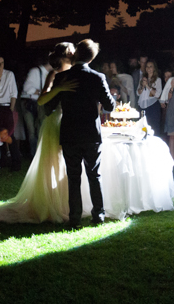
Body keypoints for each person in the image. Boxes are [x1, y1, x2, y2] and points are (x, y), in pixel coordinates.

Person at [0, 42, 78, 223]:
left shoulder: (76, 74)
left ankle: (67, 201)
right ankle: (51, 202)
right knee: (53, 162)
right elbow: (42, 100)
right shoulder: (53, 74)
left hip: (71, 121)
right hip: (55, 120)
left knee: (68, 163)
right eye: (71, 53)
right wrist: (58, 89)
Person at [49, 39, 115, 228]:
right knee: (94, 175)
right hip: (90, 133)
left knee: (73, 177)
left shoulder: (63, 77)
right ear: (92, 58)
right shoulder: (97, 77)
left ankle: (75, 218)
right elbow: (110, 105)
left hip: (70, 132)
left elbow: (50, 105)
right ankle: (98, 215)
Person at [19, 55, 52, 156]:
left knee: (39, 130)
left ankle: (38, 154)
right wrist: (42, 92)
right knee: (32, 131)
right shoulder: (35, 71)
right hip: (29, 103)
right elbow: (27, 88)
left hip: (39, 104)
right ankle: (34, 155)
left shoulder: (49, 73)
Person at [136, 60, 163, 136]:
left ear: (154, 68)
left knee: (153, 127)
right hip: (142, 105)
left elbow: (157, 94)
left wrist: (148, 86)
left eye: (151, 66)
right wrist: (142, 86)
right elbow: (138, 93)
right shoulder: (142, 79)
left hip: (152, 105)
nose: (148, 68)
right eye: (147, 67)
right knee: (142, 127)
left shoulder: (158, 80)